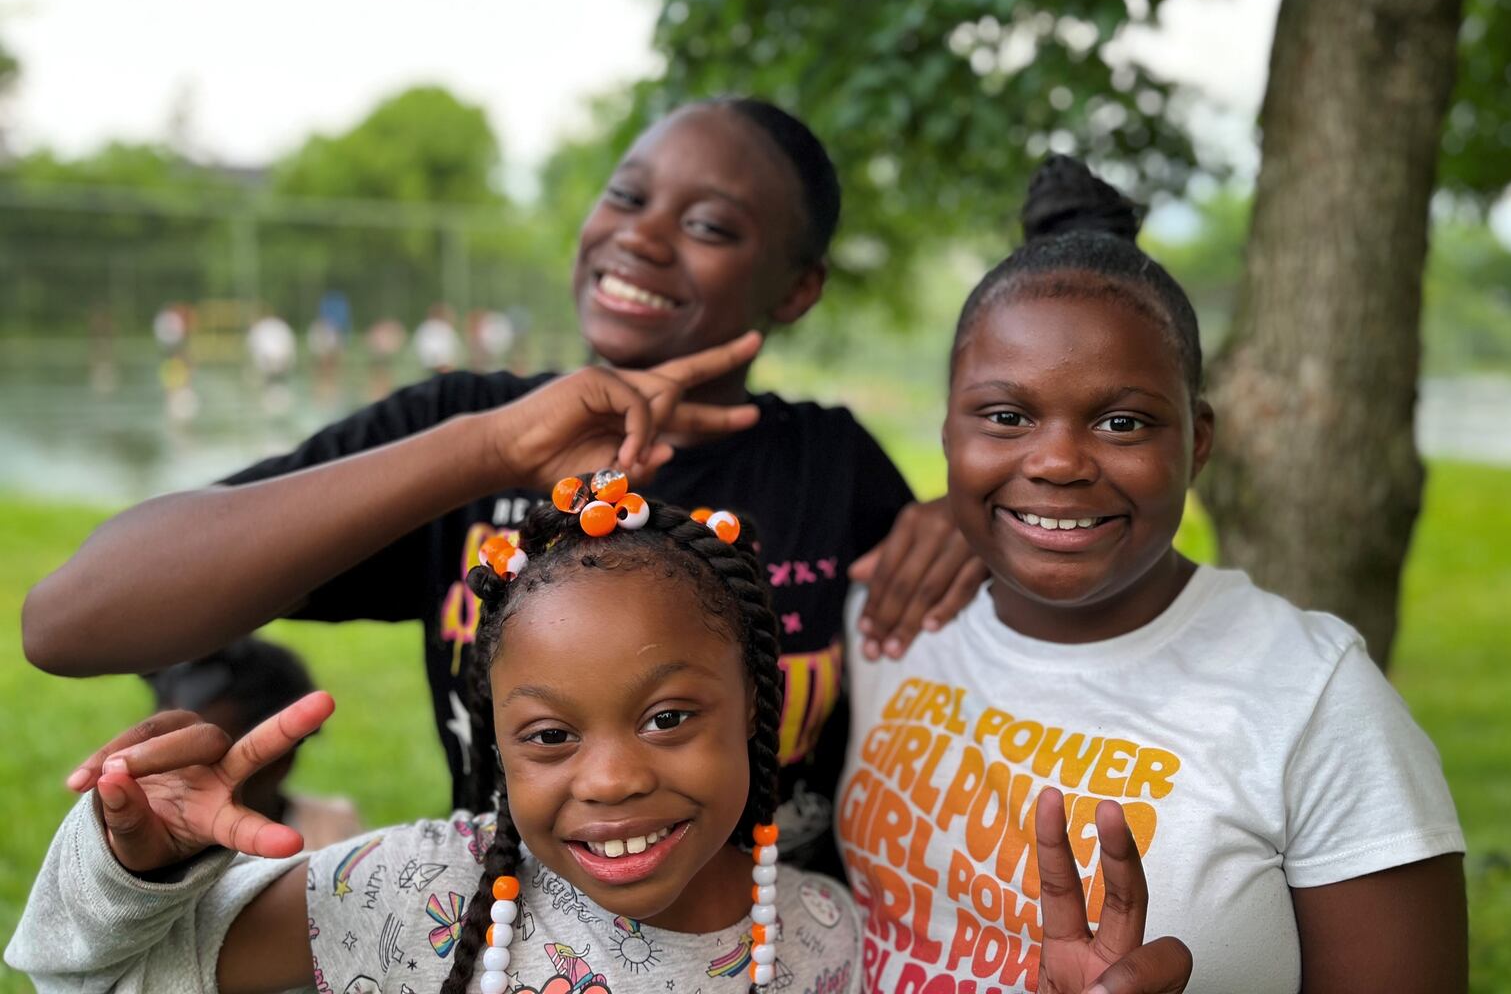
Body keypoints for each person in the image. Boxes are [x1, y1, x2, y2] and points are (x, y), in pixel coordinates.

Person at [22, 97, 983, 876]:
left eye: (707, 225)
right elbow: (70, 622)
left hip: (774, 955)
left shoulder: (829, 465)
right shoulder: (469, 428)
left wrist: (976, 525)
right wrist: (484, 454)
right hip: (503, 949)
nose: (640, 238)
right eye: (625, 197)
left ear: (796, 288)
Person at [6, 482, 1180, 994]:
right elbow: (99, 976)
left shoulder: (820, 937)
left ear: (758, 719)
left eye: (671, 717)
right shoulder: (421, 889)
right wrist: (138, 870)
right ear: (498, 750)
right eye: (550, 736)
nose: (613, 776)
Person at [835, 156, 1467, 992]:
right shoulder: (889, 616)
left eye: (1122, 421)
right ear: (950, 432)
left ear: (1198, 443)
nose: (1057, 461)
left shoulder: (1314, 701)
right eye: (1006, 416)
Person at [144, 636, 364, 850]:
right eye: (162, 748)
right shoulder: (143, 833)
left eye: (207, 760)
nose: (172, 774)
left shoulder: (332, 835)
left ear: (280, 761)